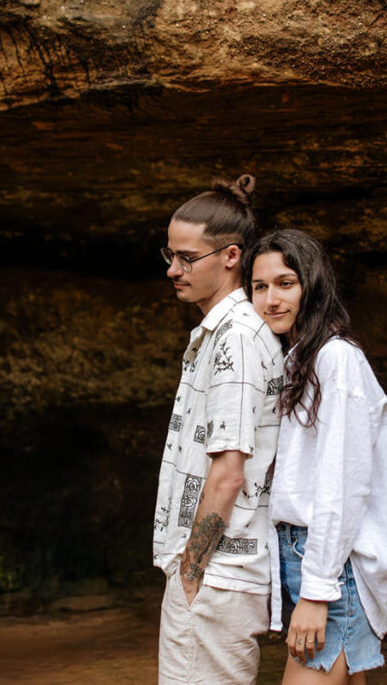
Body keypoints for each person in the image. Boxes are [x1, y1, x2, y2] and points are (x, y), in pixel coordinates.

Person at [245, 229, 387, 685]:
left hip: (332, 569)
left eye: (285, 283)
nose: (271, 299)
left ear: (312, 284)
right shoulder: (298, 360)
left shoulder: (337, 360)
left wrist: (316, 592)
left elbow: (343, 485)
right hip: (314, 560)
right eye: (259, 286)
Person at [153, 174, 284, 685]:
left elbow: (229, 474)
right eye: (169, 254)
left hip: (215, 579)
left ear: (231, 256)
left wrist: (191, 572)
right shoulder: (224, 333)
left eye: (187, 258)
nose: (172, 270)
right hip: (215, 577)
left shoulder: (237, 341)